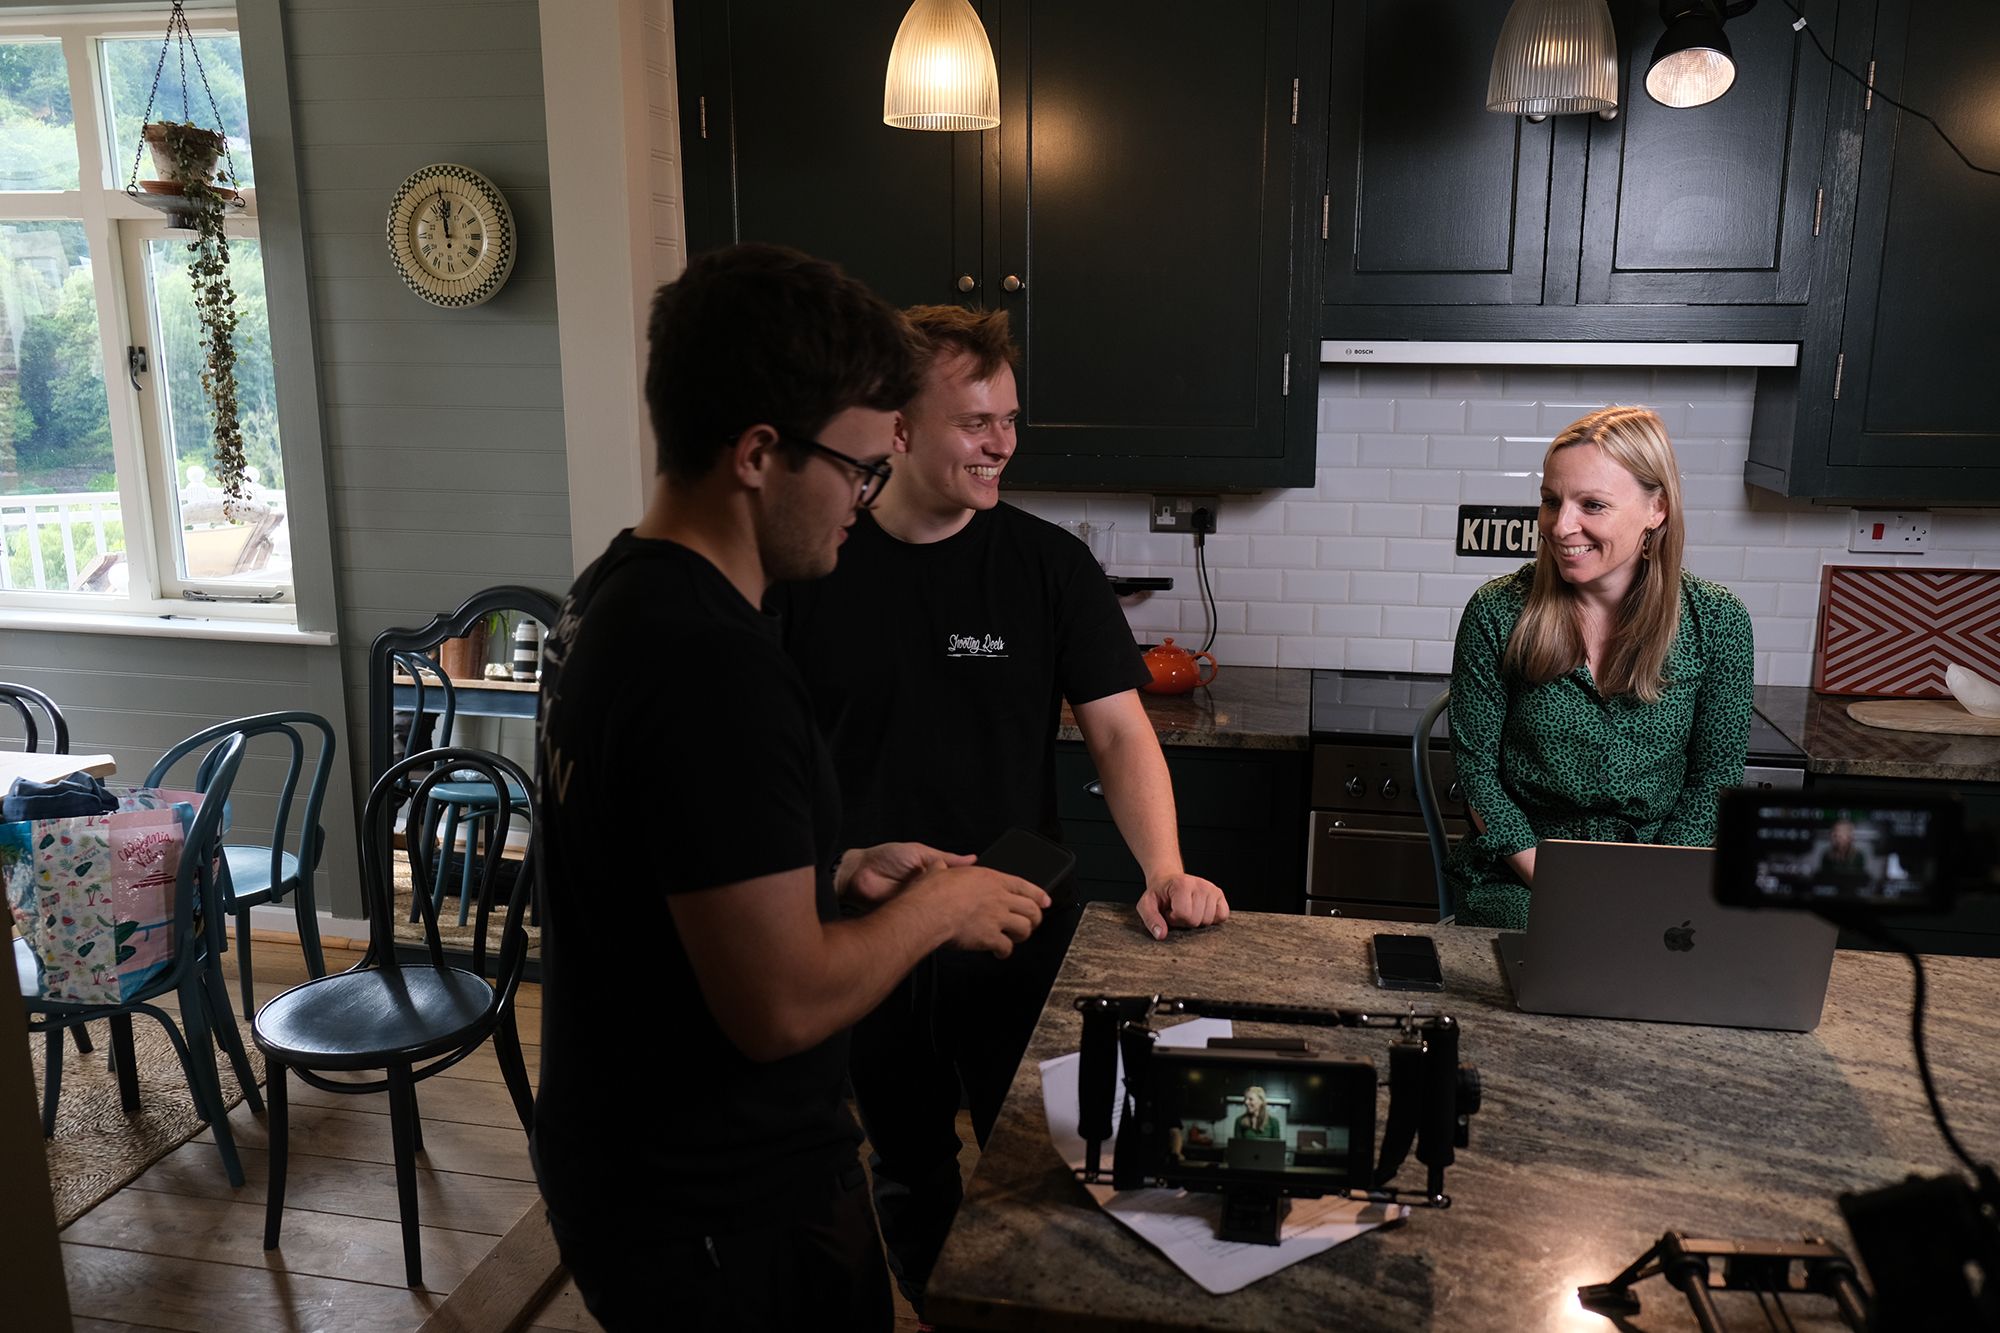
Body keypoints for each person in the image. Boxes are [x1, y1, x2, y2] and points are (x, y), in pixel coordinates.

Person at [530, 245, 1051, 1333]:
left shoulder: (611, 593)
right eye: (859, 468)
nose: (864, 499)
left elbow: (665, 865)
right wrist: (939, 906)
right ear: (760, 453)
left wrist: (835, 869)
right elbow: (780, 1006)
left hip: (625, 1164)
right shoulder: (716, 666)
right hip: (723, 1210)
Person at [773, 304, 1229, 1312]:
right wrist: (833, 869)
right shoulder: (813, 564)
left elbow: (1119, 733)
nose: (1002, 444)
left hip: (1019, 927)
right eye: (975, 421)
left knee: (1043, 1157)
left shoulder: (1045, 566)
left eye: (1010, 418)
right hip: (863, 931)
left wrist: (1163, 867)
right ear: (897, 428)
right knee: (905, 1163)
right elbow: (768, 764)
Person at [1447, 405, 1755, 930]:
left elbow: (1715, 781)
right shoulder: (1497, 612)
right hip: (1521, 876)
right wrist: (1558, 885)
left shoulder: (1718, 622)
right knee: (1560, 945)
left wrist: (1648, 890)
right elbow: (1478, 777)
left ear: (1657, 508)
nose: (1561, 526)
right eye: (1551, 501)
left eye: (1592, 504)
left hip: (1657, 876)